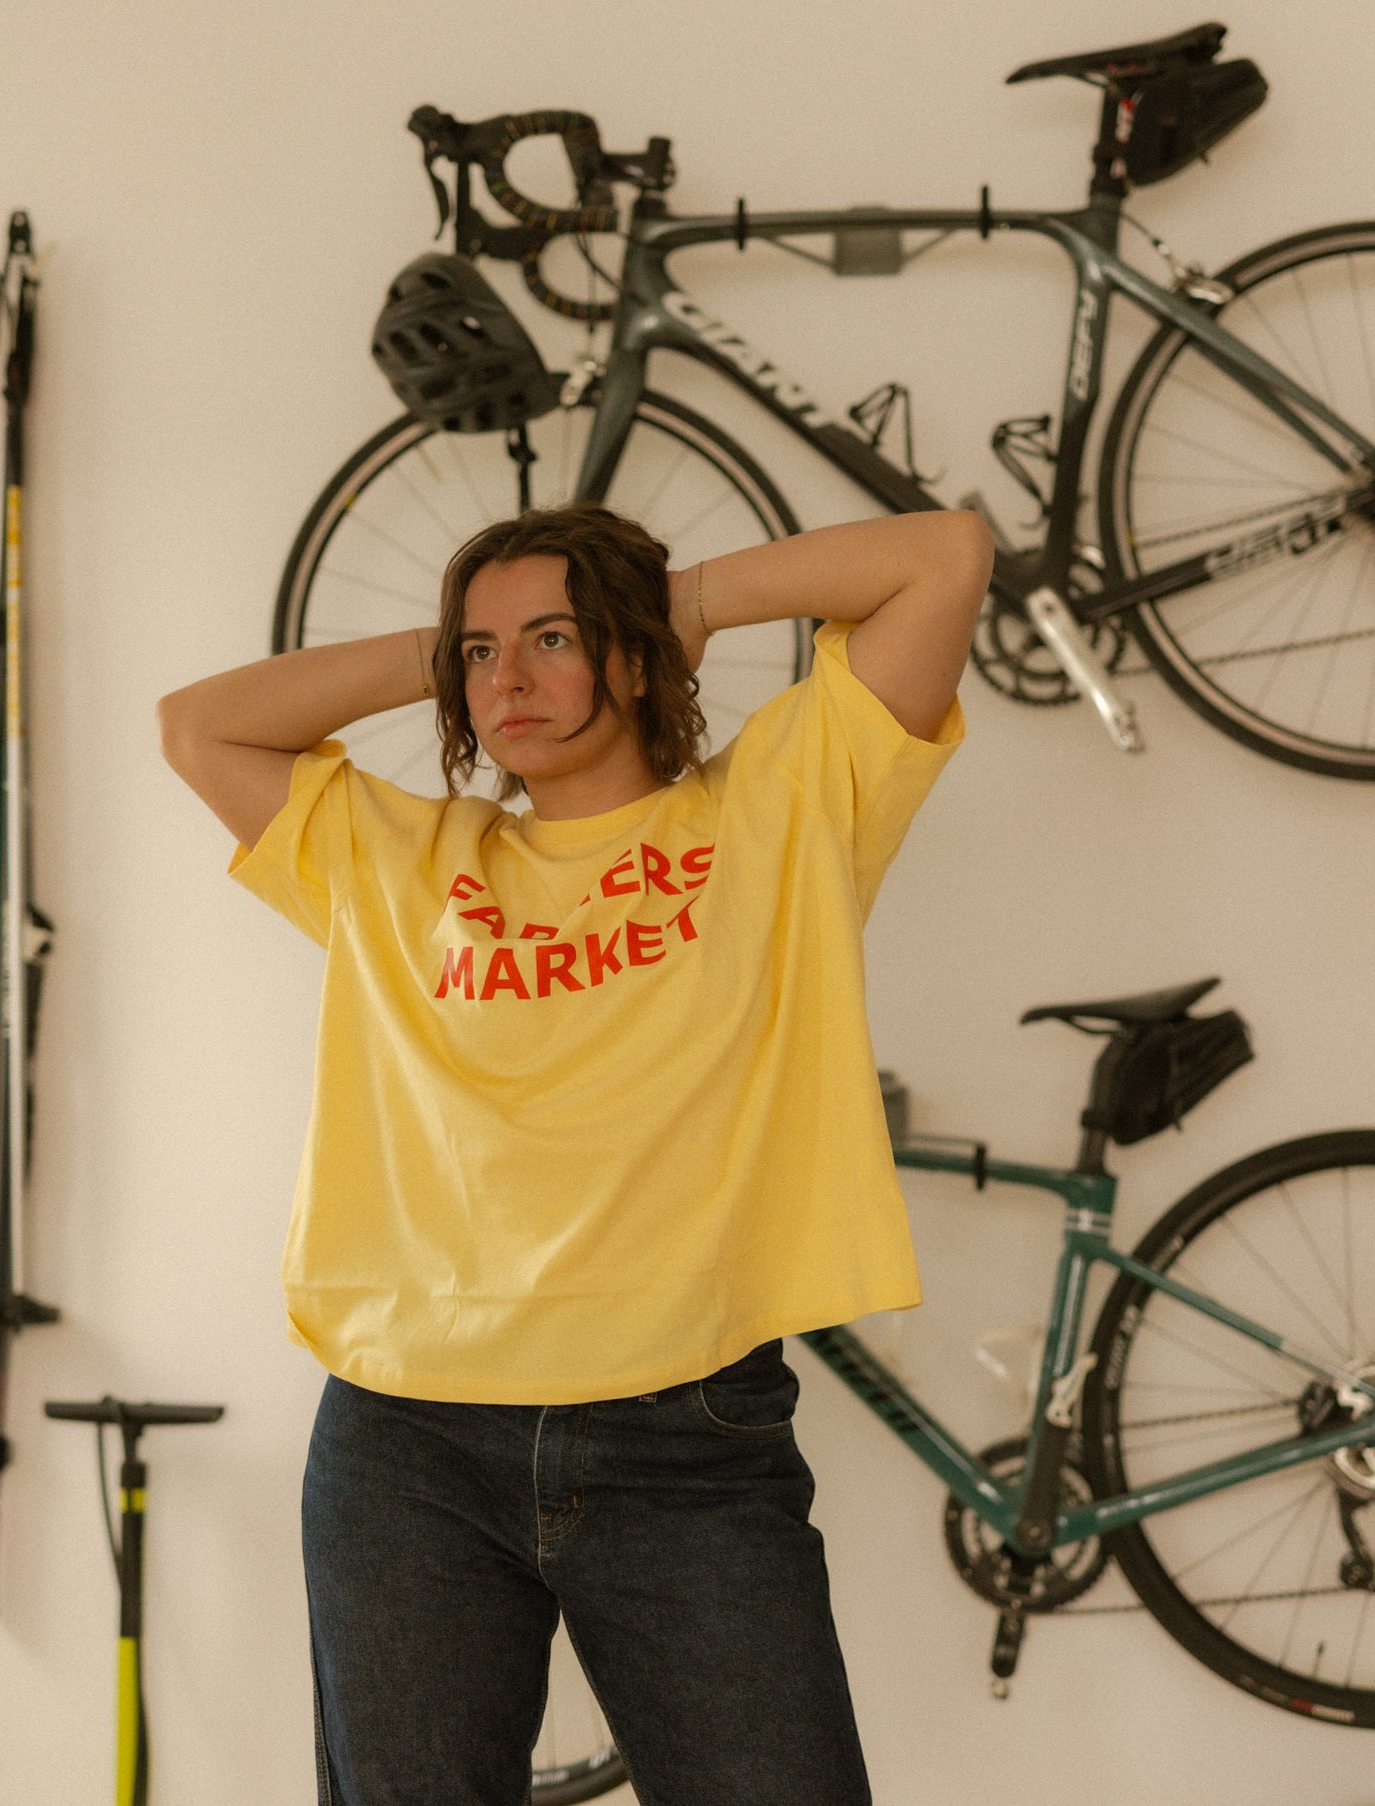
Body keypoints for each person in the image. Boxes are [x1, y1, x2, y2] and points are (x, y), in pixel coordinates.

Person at [157, 501, 993, 1806]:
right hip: (405, 1435)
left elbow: (941, 554)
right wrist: (452, 643)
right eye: (482, 655)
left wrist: (681, 598)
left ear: (634, 653)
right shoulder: (399, 861)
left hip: (686, 1429)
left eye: (553, 637)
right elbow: (199, 722)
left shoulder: (781, 808)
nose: (510, 677)